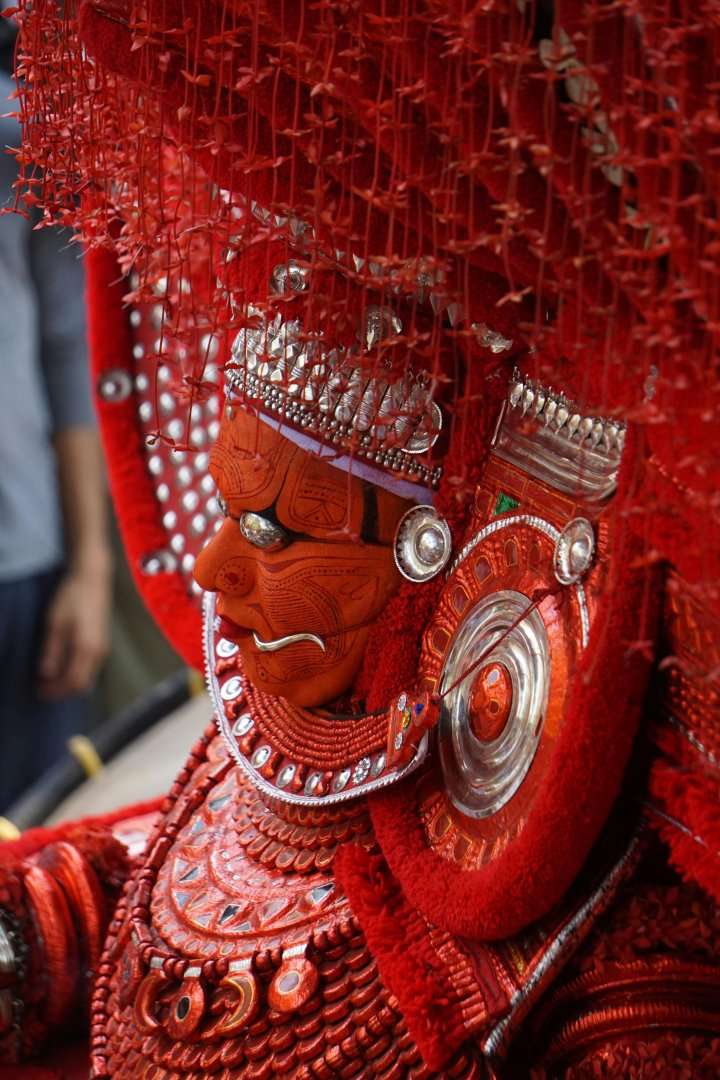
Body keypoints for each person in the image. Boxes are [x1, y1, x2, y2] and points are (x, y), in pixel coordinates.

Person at [0, 1, 718, 1077]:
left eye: (274, 530)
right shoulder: (295, 718)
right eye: (229, 514)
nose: (214, 569)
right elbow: (154, 868)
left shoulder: (621, 969)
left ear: (432, 566)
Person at [0, 19, 110, 813]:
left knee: (43, 843)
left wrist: (90, 565)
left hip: (26, 572)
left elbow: (71, 348)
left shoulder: (19, 127)